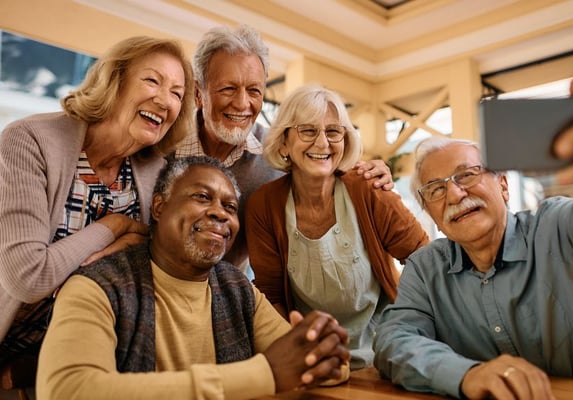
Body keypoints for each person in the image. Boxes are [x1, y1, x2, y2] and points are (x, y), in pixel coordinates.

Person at [0, 36, 196, 399]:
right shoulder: (31, 138)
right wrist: (115, 227)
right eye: (152, 81)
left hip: (25, 343)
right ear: (115, 81)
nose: (164, 100)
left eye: (177, 93)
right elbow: (28, 276)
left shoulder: (154, 176)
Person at [373, 77, 573, 400]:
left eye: (466, 175)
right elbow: (393, 340)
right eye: (436, 189)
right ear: (431, 213)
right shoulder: (426, 268)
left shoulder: (557, 228)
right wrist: (466, 374)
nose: (454, 193)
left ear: (502, 185)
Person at [36, 156, 350, 400]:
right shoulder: (96, 287)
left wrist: (325, 350)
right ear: (159, 207)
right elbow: (67, 391)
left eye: (230, 206)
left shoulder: (237, 287)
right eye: (202, 197)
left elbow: (308, 364)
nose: (221, 213)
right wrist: (264, 373)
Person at [173, 24, 393, 270]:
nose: (242, 103)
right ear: (198, 93)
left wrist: (372, 174)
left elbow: (327, 169)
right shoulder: (162, 146)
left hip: (230, 293)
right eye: (228, 89)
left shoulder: (279, 150)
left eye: (254, 90)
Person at [246, 84, 430, 370]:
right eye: (307, 131)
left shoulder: (368, 187)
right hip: (312, 358)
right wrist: (299, 354)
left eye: (333, 131)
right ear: (283, 142)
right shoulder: (263, 205)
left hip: (385, 355)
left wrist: (405, 327)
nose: (323, 143)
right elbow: (271, 295)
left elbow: (424, 259)